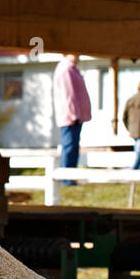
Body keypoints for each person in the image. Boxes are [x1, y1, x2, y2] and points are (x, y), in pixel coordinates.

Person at [52, 53, 91, 186]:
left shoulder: (72, 69)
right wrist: (74, 114)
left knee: (74, 146)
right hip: (71, 116)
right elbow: (68, 95)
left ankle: (71, 176)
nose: (78, 56)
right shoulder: (65, 69)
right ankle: (67, 177)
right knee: (69, 146)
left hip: (76, 115)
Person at [122, 81, 140, 169]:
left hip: (133, 128)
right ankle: (135, 168)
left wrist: (129, 128)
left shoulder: (131, 99)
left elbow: (124, 117)